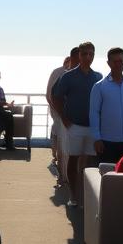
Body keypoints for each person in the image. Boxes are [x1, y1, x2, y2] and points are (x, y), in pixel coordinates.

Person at [51, 41, 103, 208]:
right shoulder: (68, 76)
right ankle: (73, 195)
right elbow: (56, 98)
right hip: (74, 126)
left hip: (92, 127)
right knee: (73, 161)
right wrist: (65, 119)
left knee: (89, 164)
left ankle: (86, 196)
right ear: (79, 55)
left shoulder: (98, 77)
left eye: (91, 54)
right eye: (85, 53)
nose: (88, 57)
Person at [89, 47, 123, 164]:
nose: (118, 64)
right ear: (108, 63)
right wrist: (97, 139)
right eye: (114, 61)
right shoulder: (99, 86)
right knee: (108, 175)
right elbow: (94, 113)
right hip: (107, 142)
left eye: (120, 61)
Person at [46, 47, 78, 186]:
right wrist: (58, 114)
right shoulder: (59, 73)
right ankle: (63, 176)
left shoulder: (81, 75)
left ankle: (69, 176)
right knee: (63, 147)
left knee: (71, 149)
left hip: (75, 118)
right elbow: (50, 95)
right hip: (60, 116)